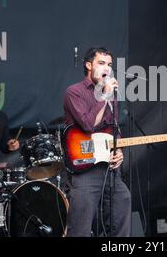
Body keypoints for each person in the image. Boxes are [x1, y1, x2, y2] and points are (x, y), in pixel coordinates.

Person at [63, 47, 131, 237]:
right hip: (85, 166)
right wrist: (103, 95)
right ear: (88, 65)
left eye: (109, 65)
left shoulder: (111, 96)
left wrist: (119, 149)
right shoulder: (74, 92)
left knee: (123, 201)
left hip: (109, 168)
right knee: (80, 227)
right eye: (101, 63)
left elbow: (113, 128)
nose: (107, 68)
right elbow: (87, 124)